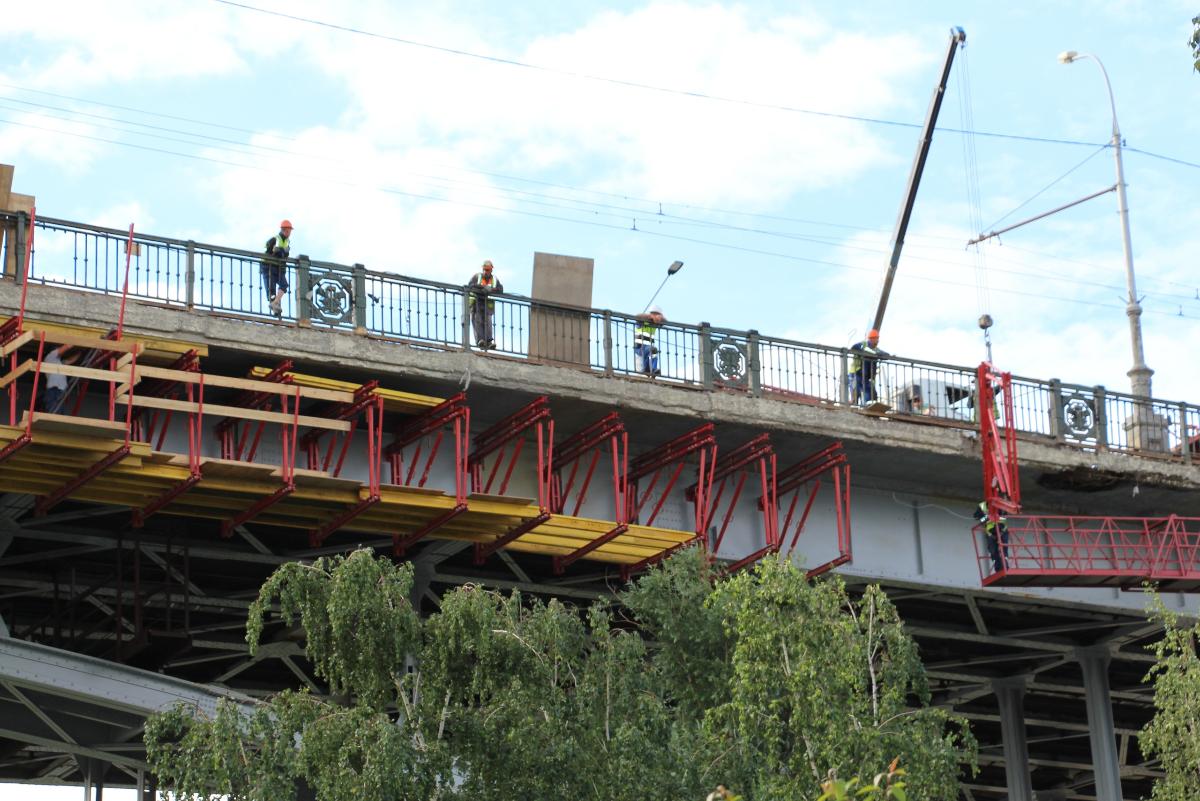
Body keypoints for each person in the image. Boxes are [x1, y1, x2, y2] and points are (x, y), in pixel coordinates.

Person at [467, 259, 503, 350]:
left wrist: (491, 289)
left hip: (487, 304)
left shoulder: (494, 279)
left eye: (487, 270)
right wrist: (482, 287)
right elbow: (470, 286)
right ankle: (480, 341)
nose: (485, 271)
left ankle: (489, 341)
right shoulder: (477, 277)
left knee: (488, 322)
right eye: (484, 269)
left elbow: (500, 290)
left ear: (491, 270)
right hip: (476, 303)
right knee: (477, 320)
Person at [262, 219, 293, 318]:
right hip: (268, 266)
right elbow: (269, 249)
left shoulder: (287, 241)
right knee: (271, 291)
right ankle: (276, 312)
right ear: (283, 230)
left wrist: (280, 251)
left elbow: (285, 254)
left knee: (284, 285)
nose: (289, 233)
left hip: (278, 267)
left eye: (290, 231)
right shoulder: (275, 239)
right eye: (288, 231)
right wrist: (280, 251)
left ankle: (274, 304)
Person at [848, 328, 887, 405]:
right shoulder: (863, 345)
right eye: (876, 339)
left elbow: (885, 354)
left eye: (878, 338)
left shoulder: (875, 350)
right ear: (871, 339)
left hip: (866, 376)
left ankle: (866, 407)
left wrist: (886, 355)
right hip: (856, 373)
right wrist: (865, 352)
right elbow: (854, 347)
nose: (878, 341)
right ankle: (854, 406)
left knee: (869, 394)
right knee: (856, 392)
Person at [973, 500, 1009, 573]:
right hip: (991, 532)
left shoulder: (1000, 503)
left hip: (1002, 529)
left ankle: (1005, 567)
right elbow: (976, 517)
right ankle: (998, 569)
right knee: (993, 551)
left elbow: (1004, 516)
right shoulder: (982, 506)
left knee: (1004, 550)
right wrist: (985, 517)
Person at [39, 344, 75, 413]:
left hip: (61, 391)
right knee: (53, 412)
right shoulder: (50, 356)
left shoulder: (60, 363)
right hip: (53, 390)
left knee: (59, 413)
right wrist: (77, 341)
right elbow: (66, 347)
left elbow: (71, 360)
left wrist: (81, 352)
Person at [633, 306, 665, 377]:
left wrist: (661, 318)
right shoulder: (642, 320)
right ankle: (652, 370)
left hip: (647, 347)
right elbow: (638, 316)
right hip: (639, 346)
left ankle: (649, 370)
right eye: (654, 314)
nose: (656, 316)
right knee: (652, 350)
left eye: (657, 314)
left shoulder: (655, 324)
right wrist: (650, 316)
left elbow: (664, 322)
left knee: (652, 351)